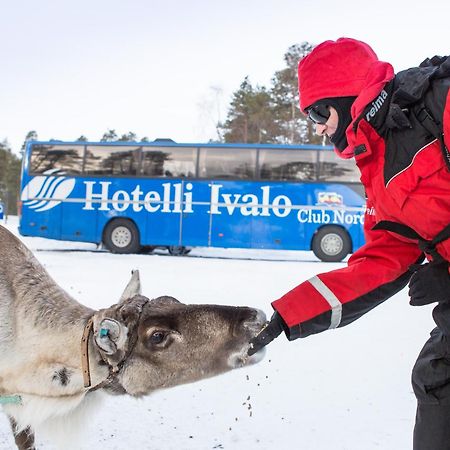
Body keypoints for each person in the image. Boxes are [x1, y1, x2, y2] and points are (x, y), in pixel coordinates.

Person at [248, 37, 450, 450]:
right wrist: (288, 316)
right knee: (437, 381)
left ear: (349, 96)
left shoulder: (441, 106)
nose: (318, 126)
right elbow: (382, 259)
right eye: (310, 117)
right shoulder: (376, 167)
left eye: (320, 112)